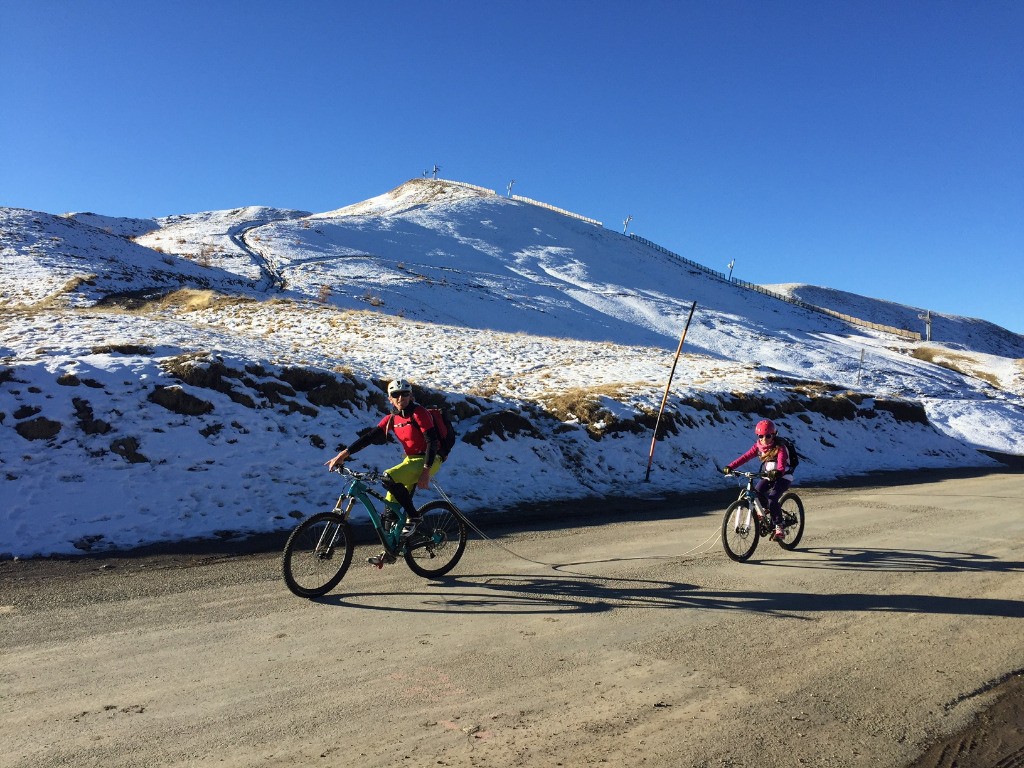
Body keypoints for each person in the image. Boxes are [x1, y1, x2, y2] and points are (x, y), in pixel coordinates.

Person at [325, 378, 443, 565]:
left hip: (429, 459)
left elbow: (432, 441)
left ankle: (414, 516)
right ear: (390, 398)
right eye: (395, 394)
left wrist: (426, 471)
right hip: (410, 461)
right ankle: (391, 550)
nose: (400, 397)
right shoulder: (392, 419)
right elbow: (369, 437)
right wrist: (343, 454)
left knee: (389, 476)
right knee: (389, 511)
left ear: (411, 395)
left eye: (405, 393)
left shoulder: (419, 413)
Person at [722, 419, 792, 541]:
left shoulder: (780, 447)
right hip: (767, 475)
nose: (764, 439)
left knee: (772, 498)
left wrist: (779, 472)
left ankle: (779, 525)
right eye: (761, 436)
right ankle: (767, 510)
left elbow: (781, 462)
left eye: (768, 436)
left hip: (783, 477)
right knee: (758, 492)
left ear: (774, 435)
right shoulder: (758, 447)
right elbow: (745, 457)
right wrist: (731, 466)